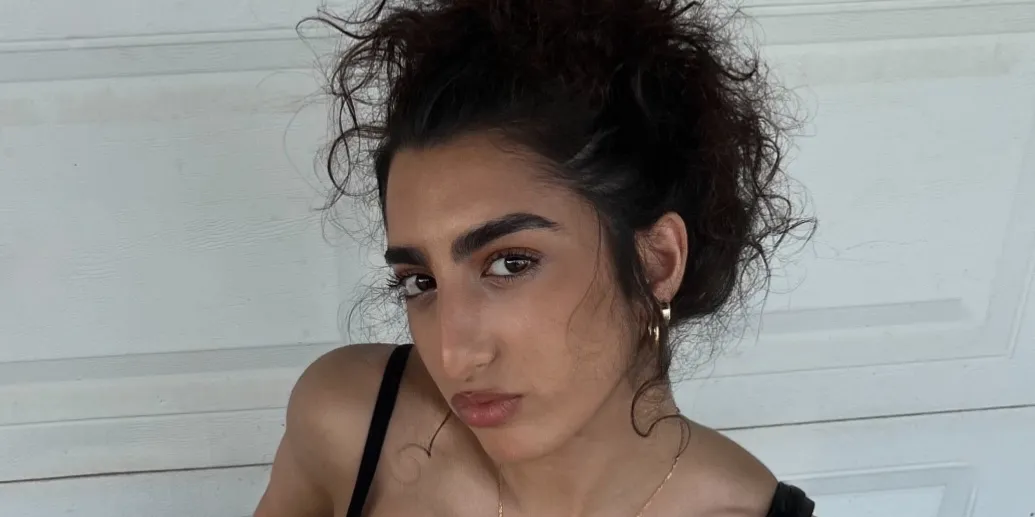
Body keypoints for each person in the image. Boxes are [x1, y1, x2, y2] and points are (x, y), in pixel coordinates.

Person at [255, 0, 815, 515]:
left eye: (510, 264)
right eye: (420, 281)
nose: (453, 356)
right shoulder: (350, 429)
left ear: (655, 263)